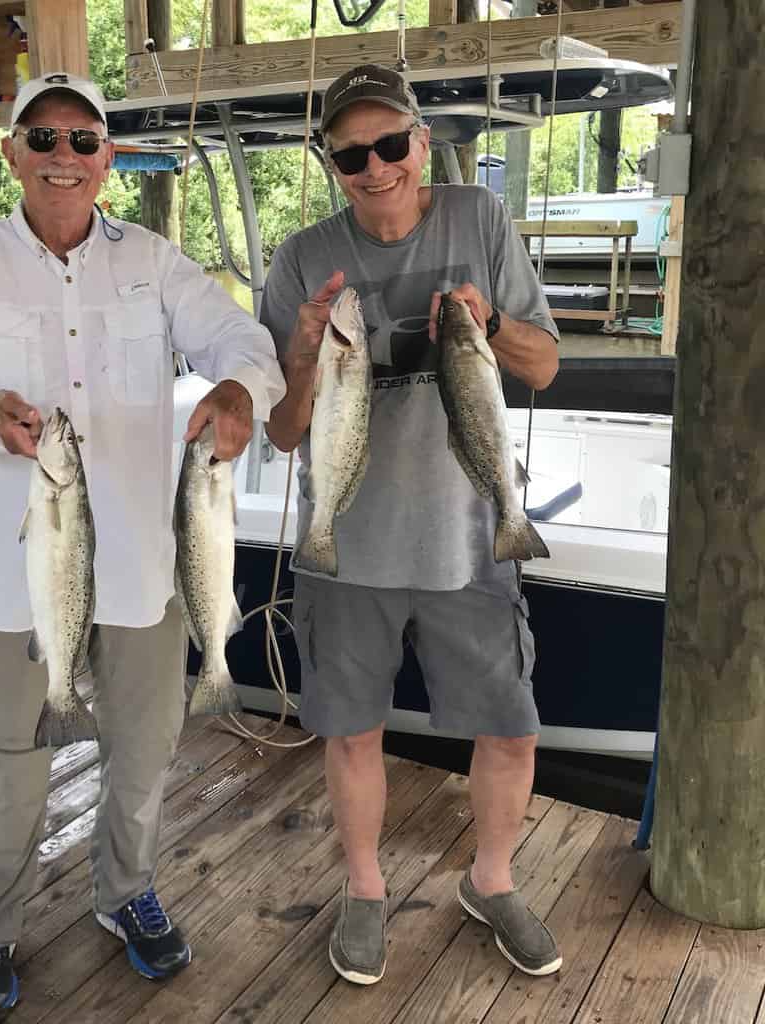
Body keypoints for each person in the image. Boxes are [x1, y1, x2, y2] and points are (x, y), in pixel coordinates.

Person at [0, 71, 285, 1020]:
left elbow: (241, 339)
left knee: (146, 753)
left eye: (84, 141)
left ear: (109, 159)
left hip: (143, 576)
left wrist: (241, 392)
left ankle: (125, 893)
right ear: (12, 156)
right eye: (42, 140)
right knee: (3, 761)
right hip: (12, 580)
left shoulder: (156, 263)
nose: (64, 157)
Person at [260, 64, 562, 985]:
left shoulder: (480, 219)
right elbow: (280, 428)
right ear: (331, 162)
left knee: (510, 729)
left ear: (421, 142)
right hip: (344, 543)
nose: (375, 165)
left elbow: (543, 367)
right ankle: (362, 890)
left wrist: (489, 320)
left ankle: (493, 878)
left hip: (473, 534)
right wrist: (307, 352)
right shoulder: (303, 258)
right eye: (352, 153)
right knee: (352, 731)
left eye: (391, 143)